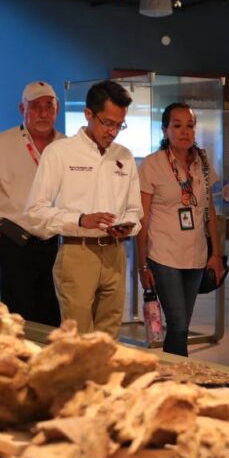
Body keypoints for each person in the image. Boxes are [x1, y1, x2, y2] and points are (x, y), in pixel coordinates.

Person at [25, 79, 142, 338]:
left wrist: (127, 226)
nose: (113, 132)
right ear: (88, 114)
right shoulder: (60, 153)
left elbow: (136, 210)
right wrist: (80, 220)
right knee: (78, 338)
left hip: (115, 254)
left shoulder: (125, 156)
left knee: (109, 338)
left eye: (119, 125)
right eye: (107, 123)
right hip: (77, 253)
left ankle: (103, 380)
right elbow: (35, 212)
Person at [137, 103, 225, 356]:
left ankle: (172, 378)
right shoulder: (152, 165)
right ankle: (179, 380)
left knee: (183, 324)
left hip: (195, 255)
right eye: (177, 126)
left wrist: (215, 255)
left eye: (190, 126)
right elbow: (141, 219)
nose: (185, 131)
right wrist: (142, 265)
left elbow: (209, 212)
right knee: (176, 323)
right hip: (163, 254)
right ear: (165, 130)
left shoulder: (203, 162)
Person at [0, 81, 64, 327]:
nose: (44, 113)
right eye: (36, 107)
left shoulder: (66, 146)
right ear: (22, 108)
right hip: (15, 242)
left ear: (57, 109)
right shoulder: (2, 143)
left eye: (49, 106)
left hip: (54, 244)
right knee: (17, 316)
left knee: (52, 316)